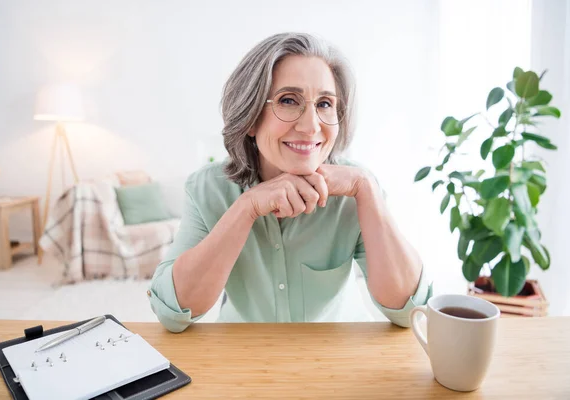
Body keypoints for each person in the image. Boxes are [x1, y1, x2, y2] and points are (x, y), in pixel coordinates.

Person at [148, 32, 433, 333]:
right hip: (243, 356)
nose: (311, 126)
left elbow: (411, 312)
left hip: (341, 356)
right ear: (251, 116)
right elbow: (173, 313)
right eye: (288, 100)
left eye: (325, 103)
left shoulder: (357, 190)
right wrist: (247, 207)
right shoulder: (208, 189)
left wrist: (367, 190)